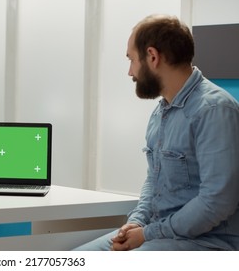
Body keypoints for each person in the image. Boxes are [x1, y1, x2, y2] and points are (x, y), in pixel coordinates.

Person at [74, 14, 239, 251]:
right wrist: (136, 222)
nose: (130, 72)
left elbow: (216, 202)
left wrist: (148, 233)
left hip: (208, 242)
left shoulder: (214, 110)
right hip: (158, 232)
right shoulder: (162, 111)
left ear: (152, 56)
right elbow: (154, 179)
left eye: (131, 60)